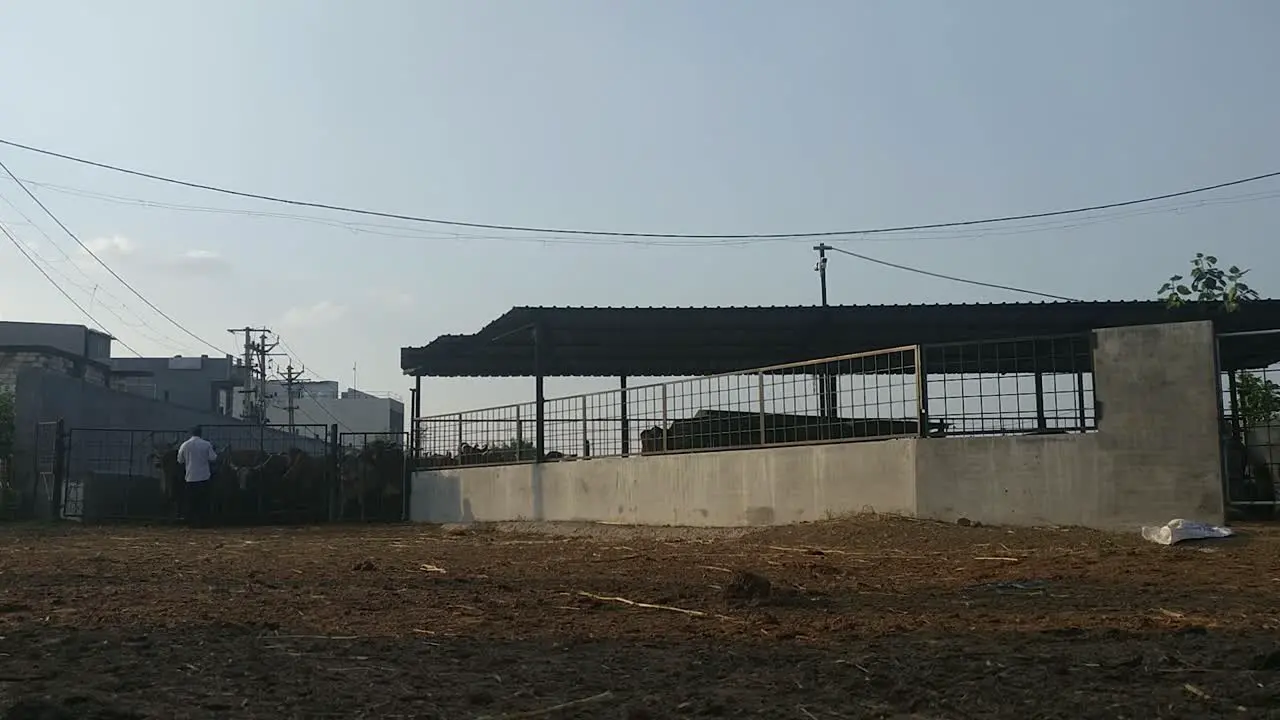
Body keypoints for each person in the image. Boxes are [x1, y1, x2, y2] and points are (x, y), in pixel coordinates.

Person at [176, 426, 218, 527]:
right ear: (201, 433)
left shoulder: (185, 445)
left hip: (190, 476)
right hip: (204, 476)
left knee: (191, 501)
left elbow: (180, 460)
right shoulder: (206, 444)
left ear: (191, 433)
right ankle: (203, 522)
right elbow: (213, 458)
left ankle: (191, 522)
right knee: (203, 501)